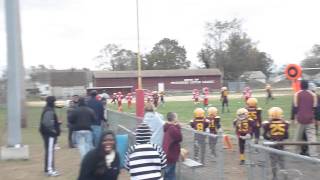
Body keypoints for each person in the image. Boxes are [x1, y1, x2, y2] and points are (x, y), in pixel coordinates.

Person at [293, 80, 318, 157]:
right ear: (308, 86)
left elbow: (295, 107)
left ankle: (295, 152)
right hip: (310, 118)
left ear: (300, 86)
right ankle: (313, 154)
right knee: (311, 137)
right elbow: (314, 107)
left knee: (298, 136)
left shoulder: (297, 94)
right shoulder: (313, 95)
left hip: (300, 117)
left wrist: (295, 117)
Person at [262, 107, 289, 180]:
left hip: (272, 143)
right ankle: (284, 176)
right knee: (281, 160)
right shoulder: (285, 123)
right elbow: (286, 136)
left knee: (273, 161)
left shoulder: (268, 124)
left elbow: (265, 135)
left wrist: (269, 138)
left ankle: (274, 176)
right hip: (281, 143)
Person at [39, 96, 61, 176]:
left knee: (49, 151)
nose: (55, 103)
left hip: (48, 133)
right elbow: (47, 123)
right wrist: (54, 131)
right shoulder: (49, 110)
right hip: (49, 134)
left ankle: (48, 169)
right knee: (50, 152)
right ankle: (49, 170)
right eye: (54, 102)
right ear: (51, 102)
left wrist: (57, 123)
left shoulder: (48, 109)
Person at [163, 112, 182, 180]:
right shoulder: (172, 128)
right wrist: (178, 127)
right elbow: (179, 138)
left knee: (167, 174)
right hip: (171, 154)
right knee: (171, 175)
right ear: (173, 118)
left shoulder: (166, 126)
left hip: (167, 153)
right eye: (176, 117)